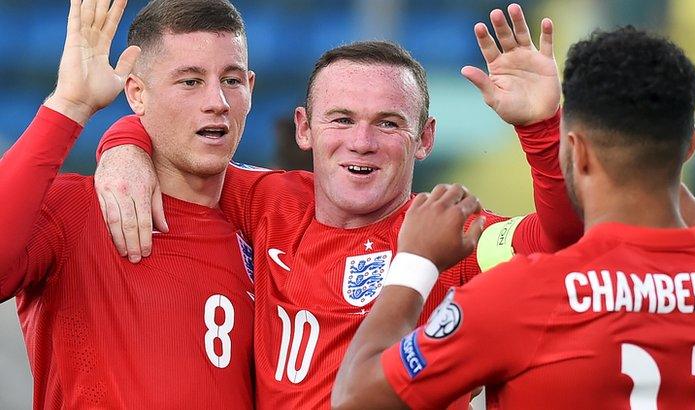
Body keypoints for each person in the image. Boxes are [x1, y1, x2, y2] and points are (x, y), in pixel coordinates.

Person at [95, 4, 585, 408]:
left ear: (425, 138)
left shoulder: (444, 232)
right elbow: (182, 142)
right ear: (305, 129)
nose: (362, 142)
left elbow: (560, 238)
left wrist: (542, 129)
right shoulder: (265, 200)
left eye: (389, 123)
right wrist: (123, 145)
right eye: (342, 119)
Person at [331, 26, 695, 410]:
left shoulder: (518, 296)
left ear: (577, 151)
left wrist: (415, 263)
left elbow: (357, 398)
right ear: (690, 144)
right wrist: (655, 163)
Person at [0, 0, 255, 407]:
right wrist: (69, 105)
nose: (217, 101)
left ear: (251, 88)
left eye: (231, 80)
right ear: (137, 94)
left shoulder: (270, 219)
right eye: (190, 81)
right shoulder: (73, 209)